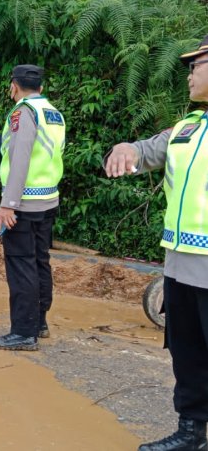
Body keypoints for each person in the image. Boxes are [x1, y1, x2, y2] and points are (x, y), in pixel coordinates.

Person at [105, 34, 208, 451]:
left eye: (196, 66)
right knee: (187, 353)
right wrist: (128, 147)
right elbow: (148, 151)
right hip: (180, 265)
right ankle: (191, 432)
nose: (189, 75)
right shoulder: (187, 126)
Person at [0, 65, 65, 351]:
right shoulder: (53, 113)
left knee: (21, 265)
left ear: (14, 86)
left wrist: (8, 204)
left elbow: (19, 158)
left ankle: (23, 332)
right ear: (42, 88)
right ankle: (39, 322)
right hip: (47, 200)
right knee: (39, 260)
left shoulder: (23, 113)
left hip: (23, 203)